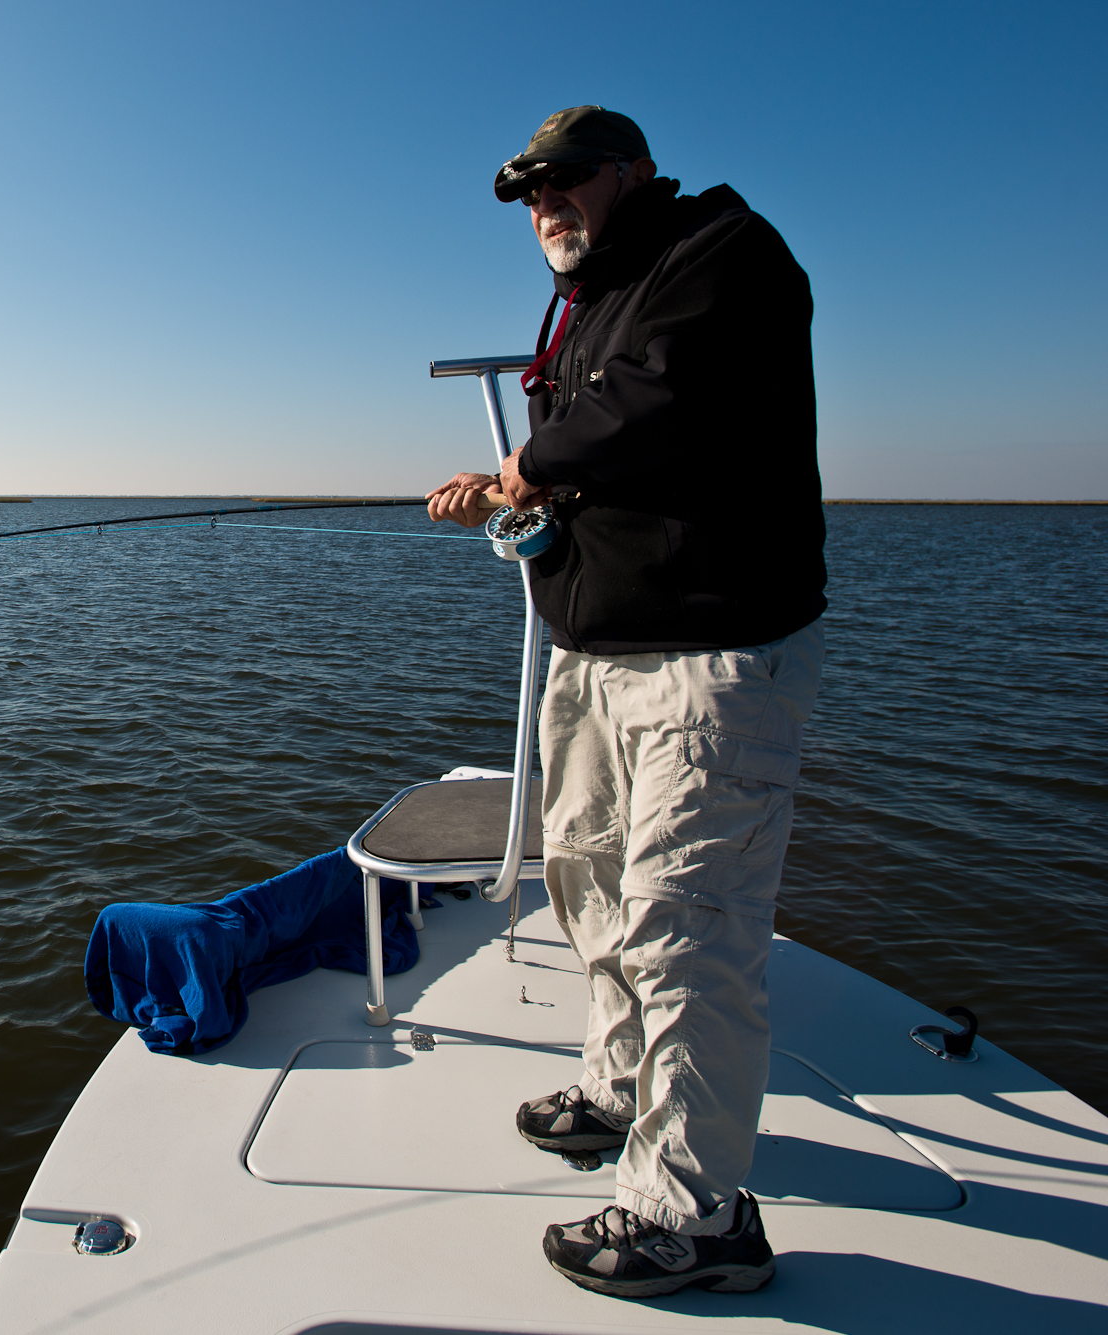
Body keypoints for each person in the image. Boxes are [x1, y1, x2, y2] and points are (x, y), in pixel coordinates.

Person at [427, 106, 827, 1299]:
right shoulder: (587, 298)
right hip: (594, 655)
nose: (543, 207)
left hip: (707, 663)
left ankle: (694, 1215)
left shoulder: (719, 252)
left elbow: (659, 401)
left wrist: (523, 467)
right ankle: (616, 1090)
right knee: (590, 880)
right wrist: (513, 502)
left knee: (686, 929)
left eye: (560, 182)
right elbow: (593, 461)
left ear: (627, 173)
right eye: (525, 196)